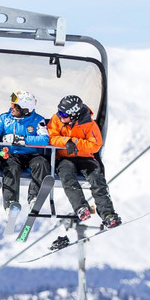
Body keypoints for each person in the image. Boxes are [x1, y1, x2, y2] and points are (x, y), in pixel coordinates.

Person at [0, 90, 50, 219]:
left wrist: (21, 139)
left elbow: (44, 139)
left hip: (31, 154)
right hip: (11, 154)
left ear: (25, 109)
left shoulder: (38, 120)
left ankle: (34, 198)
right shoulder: (5, 118)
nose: (11, 108)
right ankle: (10, 203)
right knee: (11, 168)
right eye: (12, 105)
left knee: (42, 163)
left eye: (15, 106)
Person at [48, 95, 121, 228]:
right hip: (65, 157)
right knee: (67, 177)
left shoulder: (89, 124)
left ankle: (108, 214)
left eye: (64, 113)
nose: (60, 116)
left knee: (96, 179)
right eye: (59, 111)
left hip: (85, 157)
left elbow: (95, 145)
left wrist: (75, 142)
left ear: (74, 114)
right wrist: (66, 141)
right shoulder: (56, 119)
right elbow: (51, 137)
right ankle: (81, 207)